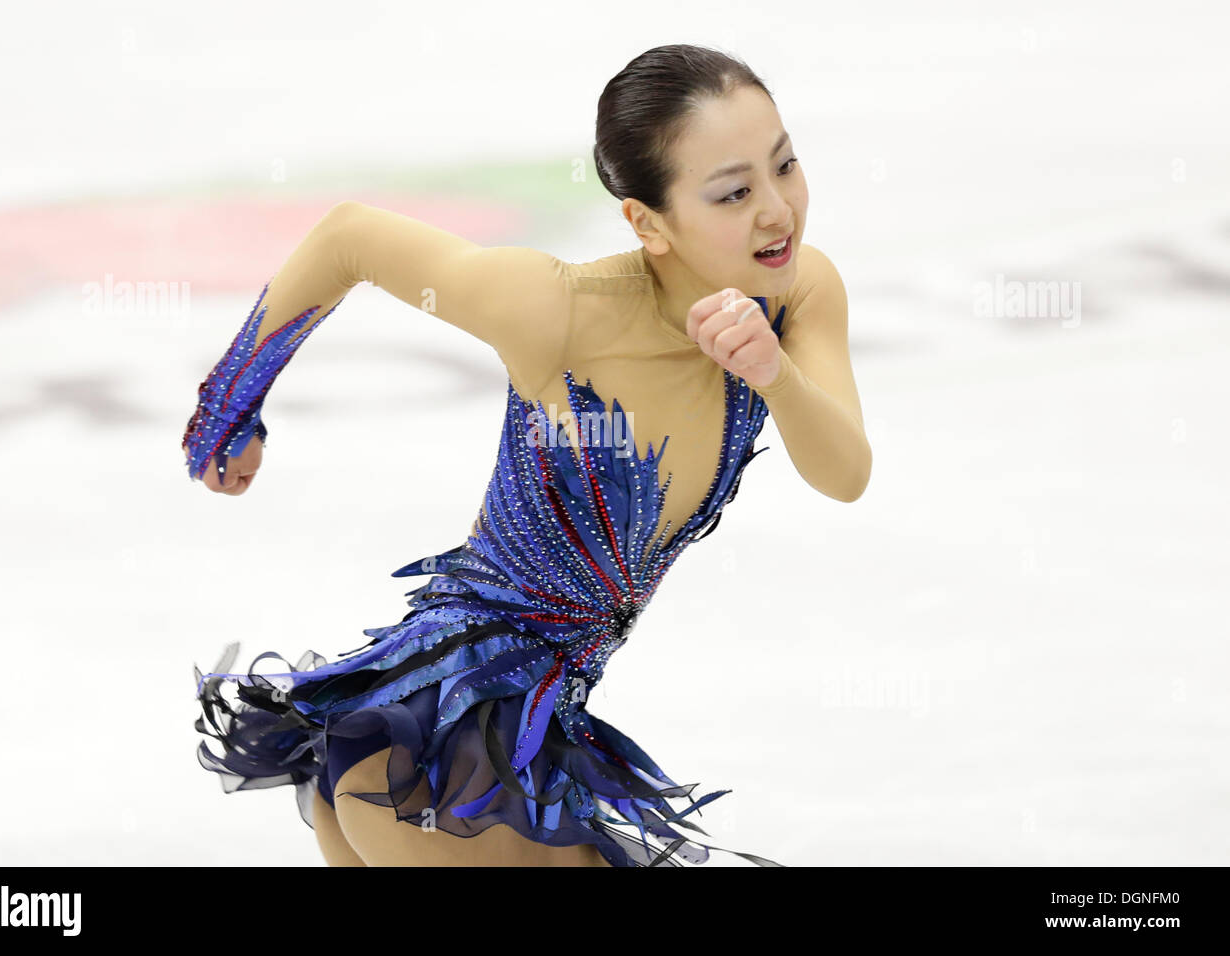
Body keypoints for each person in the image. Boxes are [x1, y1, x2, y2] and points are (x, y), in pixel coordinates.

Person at [185, 43, 871, 867]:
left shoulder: (800, 293)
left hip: (517, 747)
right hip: (437, 753)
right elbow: (349, 237)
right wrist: (229, 404)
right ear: (647, 222)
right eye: (733, 192)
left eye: (784, 165)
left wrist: (775, 374)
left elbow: (845, 472)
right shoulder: (559, 311)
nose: (777, 211)